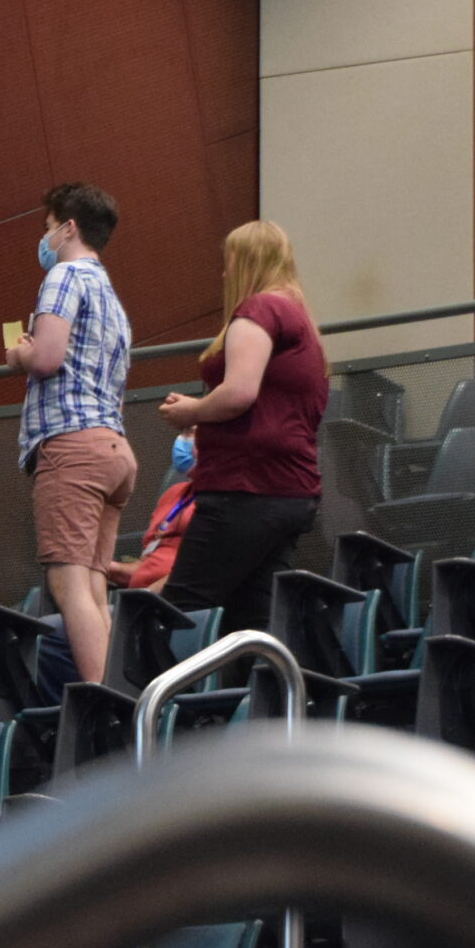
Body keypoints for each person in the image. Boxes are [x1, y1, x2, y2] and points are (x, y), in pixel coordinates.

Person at [155, 220, 327, 636]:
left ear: (248, 261)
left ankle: (156, 683)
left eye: (229, 262)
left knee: (180, 613)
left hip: (246, 488)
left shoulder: (260, 309)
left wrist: (193, 411)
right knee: (249, 620)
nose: (224, 273)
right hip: (287, 491)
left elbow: (239, 392)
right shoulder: (300, 318)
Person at [6, 182, 136, 685]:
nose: (44, 238)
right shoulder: (112, 298)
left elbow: (46, 358)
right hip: (113, 447)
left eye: (47, 227)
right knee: (95, 588)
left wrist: (20, 353)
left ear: (68, 227)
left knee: (68, 586)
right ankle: (119, 698)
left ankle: (104, 703)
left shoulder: (63, 276)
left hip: (71, 445)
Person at [112, 434, 195, 594]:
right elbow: (149, 564)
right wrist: (112, 569)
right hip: (143, 596)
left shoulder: (224, 502)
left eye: (192, 431)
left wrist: (146, 599)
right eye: (184, 431)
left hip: (179, 599)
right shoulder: (173, 493)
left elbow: (203, 568)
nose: (183, 438)